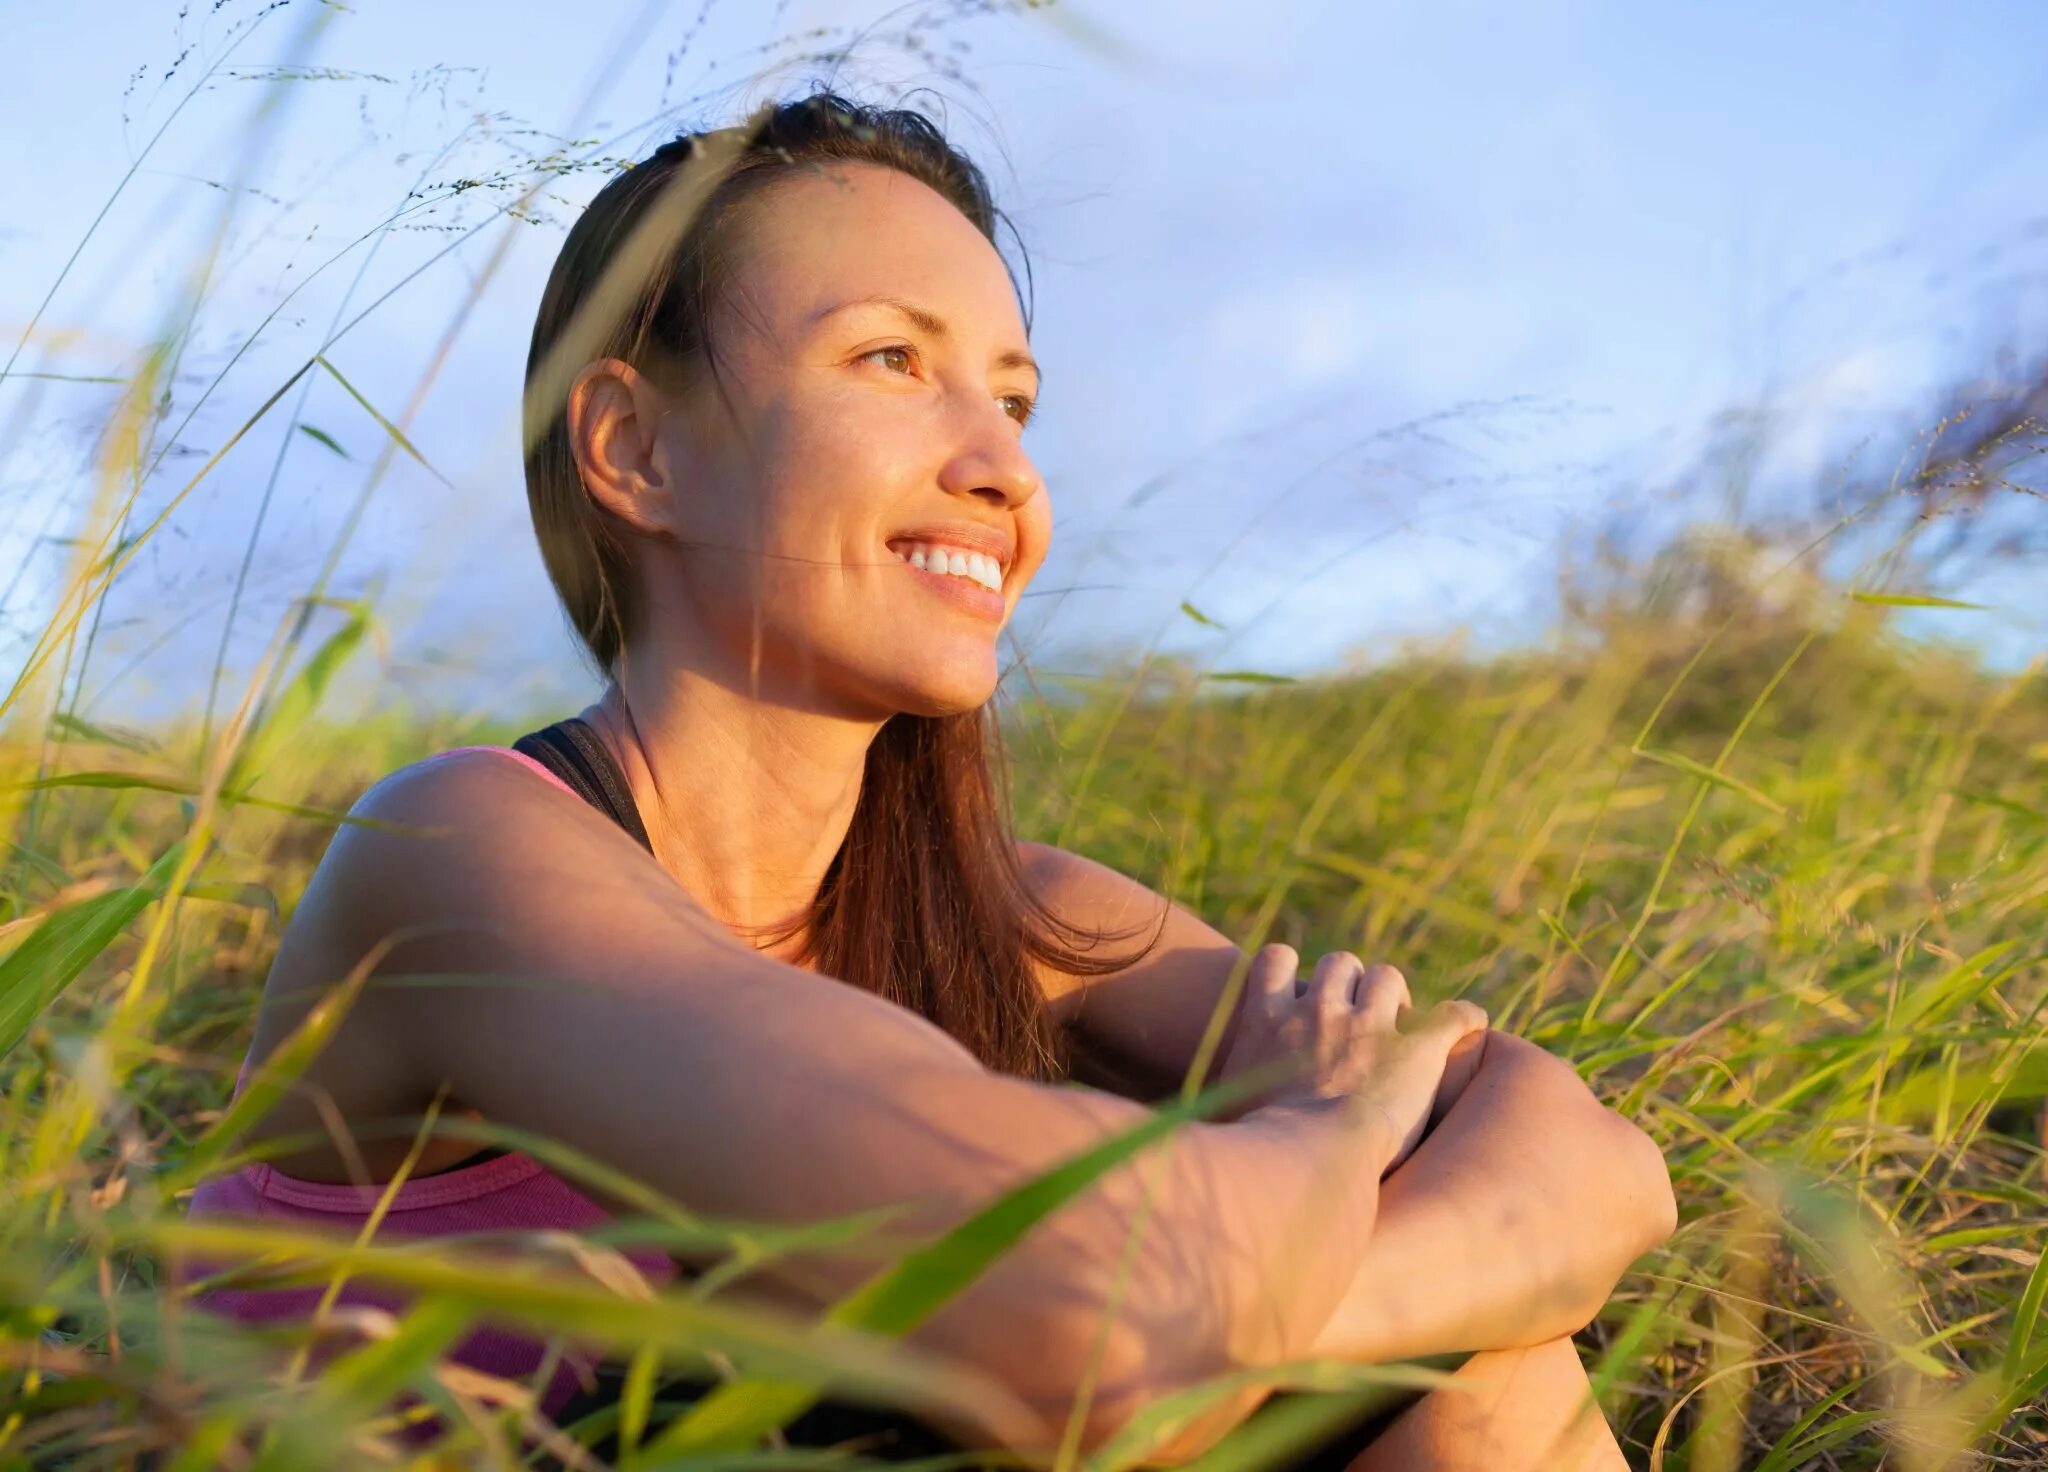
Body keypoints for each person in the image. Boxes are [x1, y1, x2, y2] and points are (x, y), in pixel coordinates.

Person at [178, 90, 1677, 1468]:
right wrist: (1331, 1135)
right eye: (892, 360)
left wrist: (1263, 1293)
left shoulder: (994, 902)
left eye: (1014, 401)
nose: (1004, 468)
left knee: (1487, 1378)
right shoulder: (458, 855)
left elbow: (1599, 1165)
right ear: (635, 450)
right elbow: (1075, 1303)